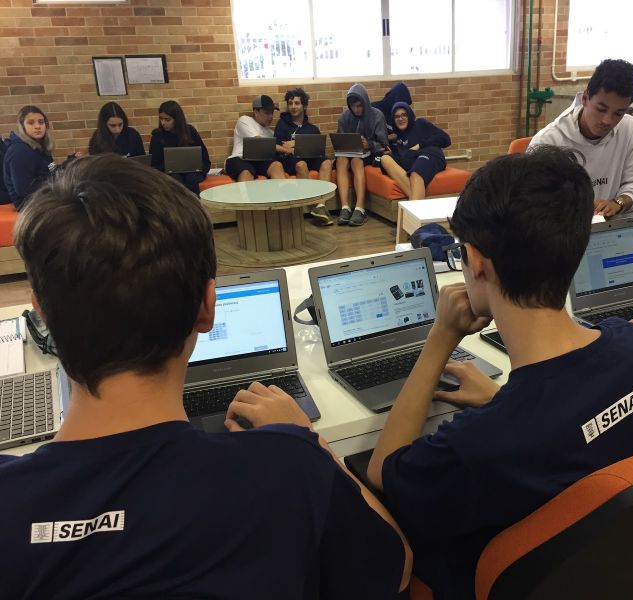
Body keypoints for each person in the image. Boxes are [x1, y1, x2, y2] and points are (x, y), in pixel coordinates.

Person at [0, 153, 411, 598]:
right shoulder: (291, 467)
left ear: (41, 312)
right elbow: (396, 568)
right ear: (207, 307)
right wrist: (312, 444)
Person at [366, 149, 633, 599]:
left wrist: (441, 337)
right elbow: (574, 427)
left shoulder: (480, 443)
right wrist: (501, 401)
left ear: (476, 262)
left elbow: (383, 471)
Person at [527, 59, 633, 218]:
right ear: (585, 98)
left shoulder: (629, 129)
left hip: (613, 227)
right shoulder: (548, 142)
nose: (607, 120)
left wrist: (618, 203)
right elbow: (533, 204)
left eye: (618, 113)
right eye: (601, 109)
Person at [275, 87, 334, 225]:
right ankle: (315, 204)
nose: (293, 107)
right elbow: (278, 146)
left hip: (310, 156)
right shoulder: (282, 124)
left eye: (297, 103)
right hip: (291, 159)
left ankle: (321, 205)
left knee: (327, 162)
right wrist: (291, 148)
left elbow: (318, 148)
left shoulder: (312, 128)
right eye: (290, 103)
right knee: (302, 165)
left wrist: (294, 143)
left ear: (304, 106)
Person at [335, 83, 389, 227]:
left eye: (359, 106)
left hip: (370, 154)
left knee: (356, 161)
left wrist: (369, 144)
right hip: (348, 153)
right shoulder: (344, 117)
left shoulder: (377, 115)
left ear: (365, 102)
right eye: (353, 106)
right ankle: (345, 207)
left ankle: (360, 208)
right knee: (341, 160)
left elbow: (384, 145)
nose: (356, 109)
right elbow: (340, 141)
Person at [378, 102, 450, 200]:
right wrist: (392, 154)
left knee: (415, 173)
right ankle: (415, 200)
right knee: (385, 159)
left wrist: (420, 145)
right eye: (397, 117)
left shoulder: (420, 124)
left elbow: (445, 138)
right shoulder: (398, 137)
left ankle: (414, 203)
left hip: (430, 154)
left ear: (409, 115)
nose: (400, 119)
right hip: (413, 160)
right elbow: (405, 157)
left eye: (404, 115)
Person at [3, 106, 62, 211]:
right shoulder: (19, 151)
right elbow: (24, 189)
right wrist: (56, 185)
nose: (37, 126)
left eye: (41, 122)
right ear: (22, 126)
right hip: (30, 206)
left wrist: (67, 166)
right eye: (31, 123)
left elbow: (51, 168)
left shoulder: (42, 148)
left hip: (45, 197)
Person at [149, 100, 210, 195]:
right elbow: (154, 163)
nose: (163, 123)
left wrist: (199, 169)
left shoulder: (190, 131)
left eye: (167, 120)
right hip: (168, 173)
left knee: (191, 179)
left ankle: (193, 203)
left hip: (192, 172)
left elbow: (204, 157)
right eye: (161, 119)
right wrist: (170, 167)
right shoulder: (157, 135)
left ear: (177, 120)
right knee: (175, 180)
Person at [224, 94, 285, 183]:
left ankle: (283, 191)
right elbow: (259, 142)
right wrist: (287, 150)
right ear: (256, 112)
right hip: (240, 158)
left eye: (272, 113)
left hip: (259, 161)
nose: (271, 116)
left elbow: (277, 146)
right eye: (267, 113)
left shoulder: (270, 132)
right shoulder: (244, 120)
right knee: (246, 171)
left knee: (277, 165)